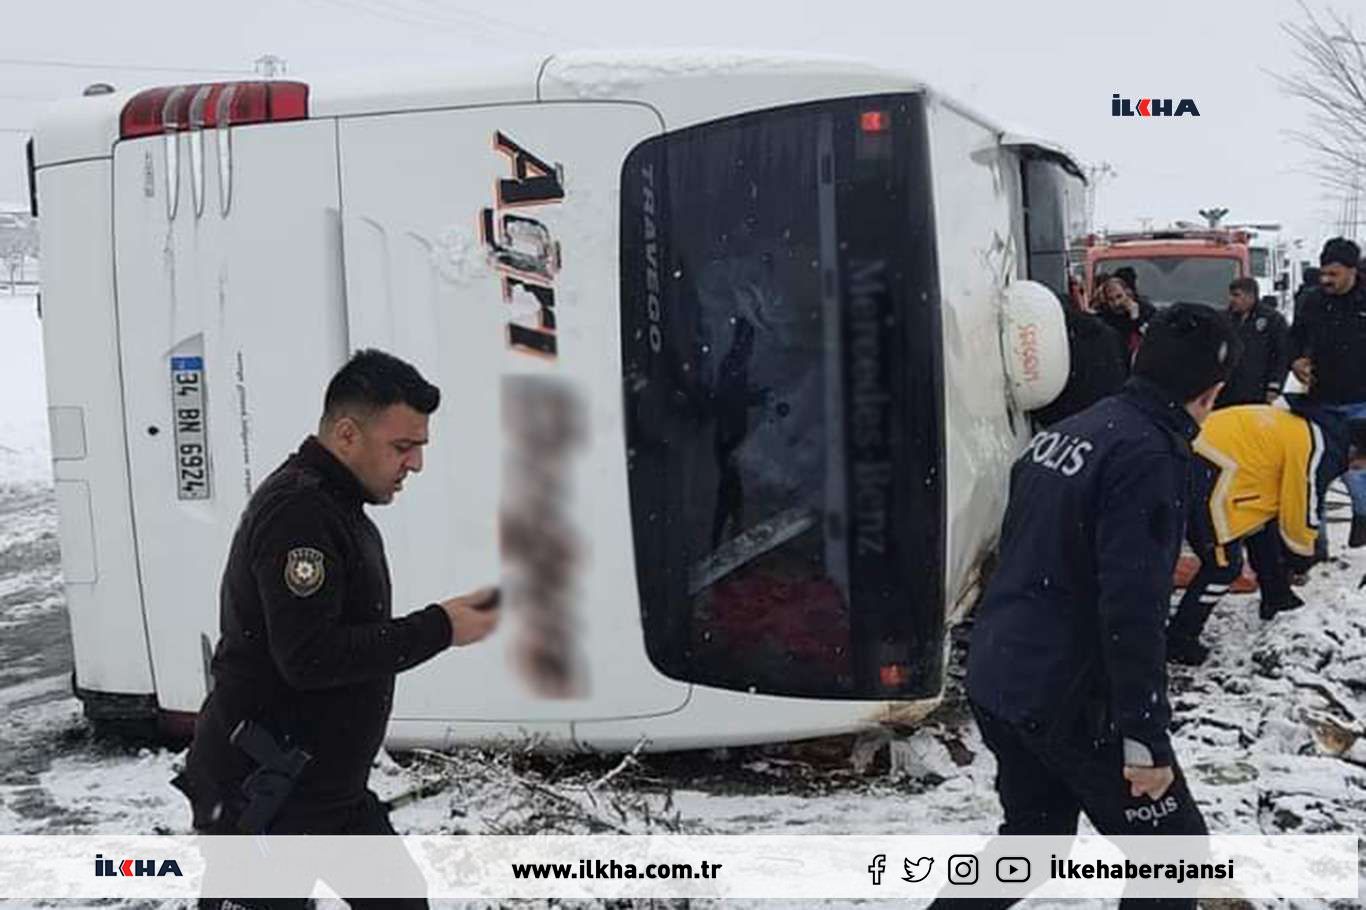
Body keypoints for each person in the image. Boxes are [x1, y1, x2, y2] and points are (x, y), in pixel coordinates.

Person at [172, 349, 502, 908]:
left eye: (419, 446)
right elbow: (310, 656)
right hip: (267, 800)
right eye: (404, 446)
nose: (416, 463)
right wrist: (440, 627)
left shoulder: (337, 506)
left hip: (326, 791)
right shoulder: (299, 513)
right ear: (347, 435)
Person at [960, 304, 1240, 910]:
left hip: (1003, 673)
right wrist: (1144, 737)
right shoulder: (1149, 454)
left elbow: (1018, 549)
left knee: (1034, 839)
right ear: (1212, 393)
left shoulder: (1071, 431)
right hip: (1070, 696)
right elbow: (1133, 607)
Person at [1166, 405, 1349, 665]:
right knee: (1223, 565)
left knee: (1261, 528)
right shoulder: (1319, 450)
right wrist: (1302, 555)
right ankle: (1181, 638)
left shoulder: (1310, 425)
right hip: (1211, 472)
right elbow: (1301, 504)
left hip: (1205, 456)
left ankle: (1276, 596)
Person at [1288, 237, 1366, 546]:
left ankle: (1362, 521)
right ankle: (1311, 543)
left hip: (1362, 401)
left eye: (1333, 274)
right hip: (1321, 401)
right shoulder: (1312, 301)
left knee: (1358, 469)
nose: (1325, 280)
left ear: (1352, 271)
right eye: (1323, 273)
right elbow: (1293, 338)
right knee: (1314, 473)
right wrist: (1295, 360)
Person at [1216, 277, 1290, 408]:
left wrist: (1274, 386)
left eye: (1237, 295)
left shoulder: (1272, 320)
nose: (1232, 300)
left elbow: (1281, 355)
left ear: (1251, 296)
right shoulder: (1224, 319)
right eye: (1231, 295)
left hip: (1257, 390)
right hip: (1226, 392)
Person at [1096, 274, 1156, 357]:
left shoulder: (1145, 309)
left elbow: (1151, 336)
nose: (1117, 303)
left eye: (1119, 296)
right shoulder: (1105, 316)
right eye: (1111, 299)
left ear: (1128, 293)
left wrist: (1136, 318)